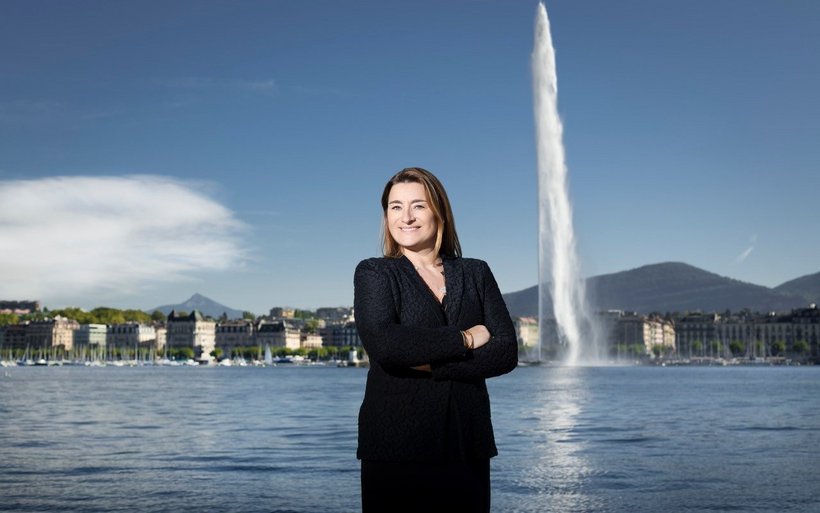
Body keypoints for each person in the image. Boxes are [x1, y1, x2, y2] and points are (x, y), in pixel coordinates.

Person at [354, 167, 518, 513]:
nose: (406, 217)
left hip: (466, 443)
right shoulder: (374, 272)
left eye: (419, 206)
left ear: (439, 211)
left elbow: (505, 351)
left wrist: (427, 362)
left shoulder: (476, 272)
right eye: (395, 207)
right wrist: (465, 338)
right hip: (394, 445)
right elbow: (386, 346)